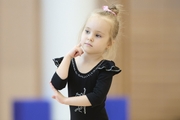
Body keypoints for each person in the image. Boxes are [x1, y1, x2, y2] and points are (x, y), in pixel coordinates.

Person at [50, 4, 123, 120]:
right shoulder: (70, 62)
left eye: (98, 35)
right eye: (87, 31)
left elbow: (96, 97)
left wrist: (65, 100)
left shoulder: (105, 68)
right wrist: (68, 57)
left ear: (109, 43)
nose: (90, 38)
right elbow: (57, 84)